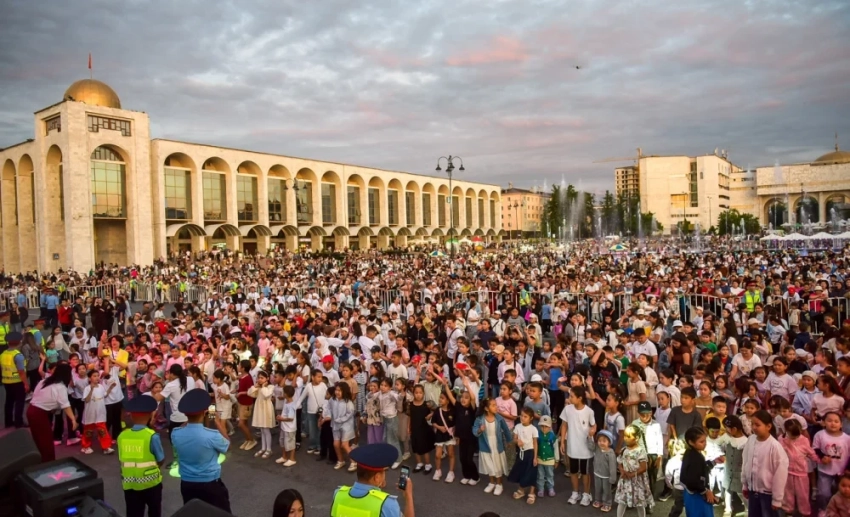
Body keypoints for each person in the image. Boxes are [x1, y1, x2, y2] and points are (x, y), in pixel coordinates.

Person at [171, 388, 232, 513]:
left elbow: (186, 426)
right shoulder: (212, 435)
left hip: (187, 484)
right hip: (210, 484)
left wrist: (191, 417)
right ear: (205, 412)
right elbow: (227, 445)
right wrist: (217, 422)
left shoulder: (175, 434)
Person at [330, 442, 415, 517]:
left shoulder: (338, 494)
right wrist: (408, 496)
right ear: (377, 477)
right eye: (384, 472)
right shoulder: (386, 504)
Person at [118, 396, 164, 517]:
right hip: (151, 483)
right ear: (150, 416)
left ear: (131, 416)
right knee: (154, 511)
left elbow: (122, 459)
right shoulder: (151, 436)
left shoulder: (122, 436)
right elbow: (161, 459)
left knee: (133, 512)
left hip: (129, 483)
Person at [26, 362, 77, 461]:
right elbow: (65, 405)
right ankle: (47, 461)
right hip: (39, 414)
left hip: (32, 410)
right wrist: (73, 420)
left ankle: (39, 459)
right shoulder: (60, 387)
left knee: (38, 438)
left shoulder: (44, 381)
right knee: (46, 440)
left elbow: (36, 396)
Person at [679, 427, 716, 517]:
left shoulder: (690, 453)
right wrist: (706, 491)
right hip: (696, 495)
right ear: (691, 442)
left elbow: (700, 468)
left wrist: (713, 462)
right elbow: (692, 480)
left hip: (691, 493)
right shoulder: (695, 458)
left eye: (705, 441)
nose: (705, 444)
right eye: (701, 442)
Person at [1, 331, 28, 428]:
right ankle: (18, 422)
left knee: (9, 402)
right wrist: (26, 384)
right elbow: (21, 371)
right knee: (19, 402)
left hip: (6, 381)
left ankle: (8, 422)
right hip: (17, 381)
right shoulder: (18, 355)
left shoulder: (3, 354)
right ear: (19, 342)